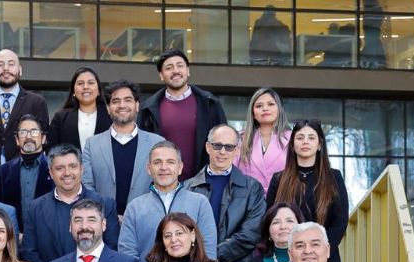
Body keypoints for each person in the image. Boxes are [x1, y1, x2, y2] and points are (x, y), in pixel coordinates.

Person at [20, 143, 117, 262]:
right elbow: (29, 252)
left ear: (81, 169)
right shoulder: (35, 208)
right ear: (51, 173)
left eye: (73, 166)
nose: (67, 173)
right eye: (60, 168)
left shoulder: (105, 204)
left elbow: (111, 248)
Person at [267, 120, 349, 262]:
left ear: (319, 144)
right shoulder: (279, 179)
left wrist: (319, 249)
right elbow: (269, 218)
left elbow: (340, 221)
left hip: (324, 259)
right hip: (286, 257)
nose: (305, 141)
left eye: (311, 137)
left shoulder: (334, 177)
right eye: (300, 137)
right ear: (292, 144)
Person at [118, 141, 216, 262]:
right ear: (149, 168)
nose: (164, 167)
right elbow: (127, 254)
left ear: (180, 167)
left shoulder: (200, 203)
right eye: (157, 162)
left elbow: (208, 250)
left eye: (170, 162)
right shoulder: (135, 207)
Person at [186, 125, 267, 262]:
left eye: (229, 147)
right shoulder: (188, 187)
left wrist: (210, 255)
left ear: (237, 150)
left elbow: (250, 234)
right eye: (217, 146)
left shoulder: (252, 188)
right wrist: (197, 256)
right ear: (208, 147)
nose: (222, 152)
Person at [137, 49, 227, 180]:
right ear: (161, 75)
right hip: (163, 183)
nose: (175, 71)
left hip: (203, 184)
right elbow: (143, 151)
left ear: (188, 71)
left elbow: (223, 143)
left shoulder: (210, 103)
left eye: (180, 65)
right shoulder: (148, 109)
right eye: (169, 68)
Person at [82, 81, 165, 217]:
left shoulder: (157, 143)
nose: (122, 105)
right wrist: (105, 215)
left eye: (128, 100)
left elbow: (163, 184)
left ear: (137, 105)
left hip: (145, 220)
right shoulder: (92, 144)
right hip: (104, 222)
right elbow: (87, 186)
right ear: (108, 108)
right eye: (116, 101)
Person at [0, 49, 50, 165]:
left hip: (26, 170)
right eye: (0, 65)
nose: (6, 68)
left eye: (11, 64)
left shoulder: (36, 102)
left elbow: (44, 141)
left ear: (20, 70)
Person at [0, 115, 54, 225]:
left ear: (43, 138)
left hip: (47, 236)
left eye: (34, 132)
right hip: (12, 237)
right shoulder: (2, 172)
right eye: (23, 132)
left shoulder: (55, 169)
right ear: (17, 140)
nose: (28, 137)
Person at [234, 88, 292, 195]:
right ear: (253, 112)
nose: (265, 108)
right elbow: (232, 172)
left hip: (283, 200)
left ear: (279, 109)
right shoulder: (240, 139)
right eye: (259, 106)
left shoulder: (292, 139)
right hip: (247, 202)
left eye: (271, 104)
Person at [47, 67, 112, 151]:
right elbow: (52, 150)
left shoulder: (110, 116)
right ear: (73, 91)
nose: (85, 87)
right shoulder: (60, 118)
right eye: (80, 83)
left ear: (99, 90)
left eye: (91, 83)